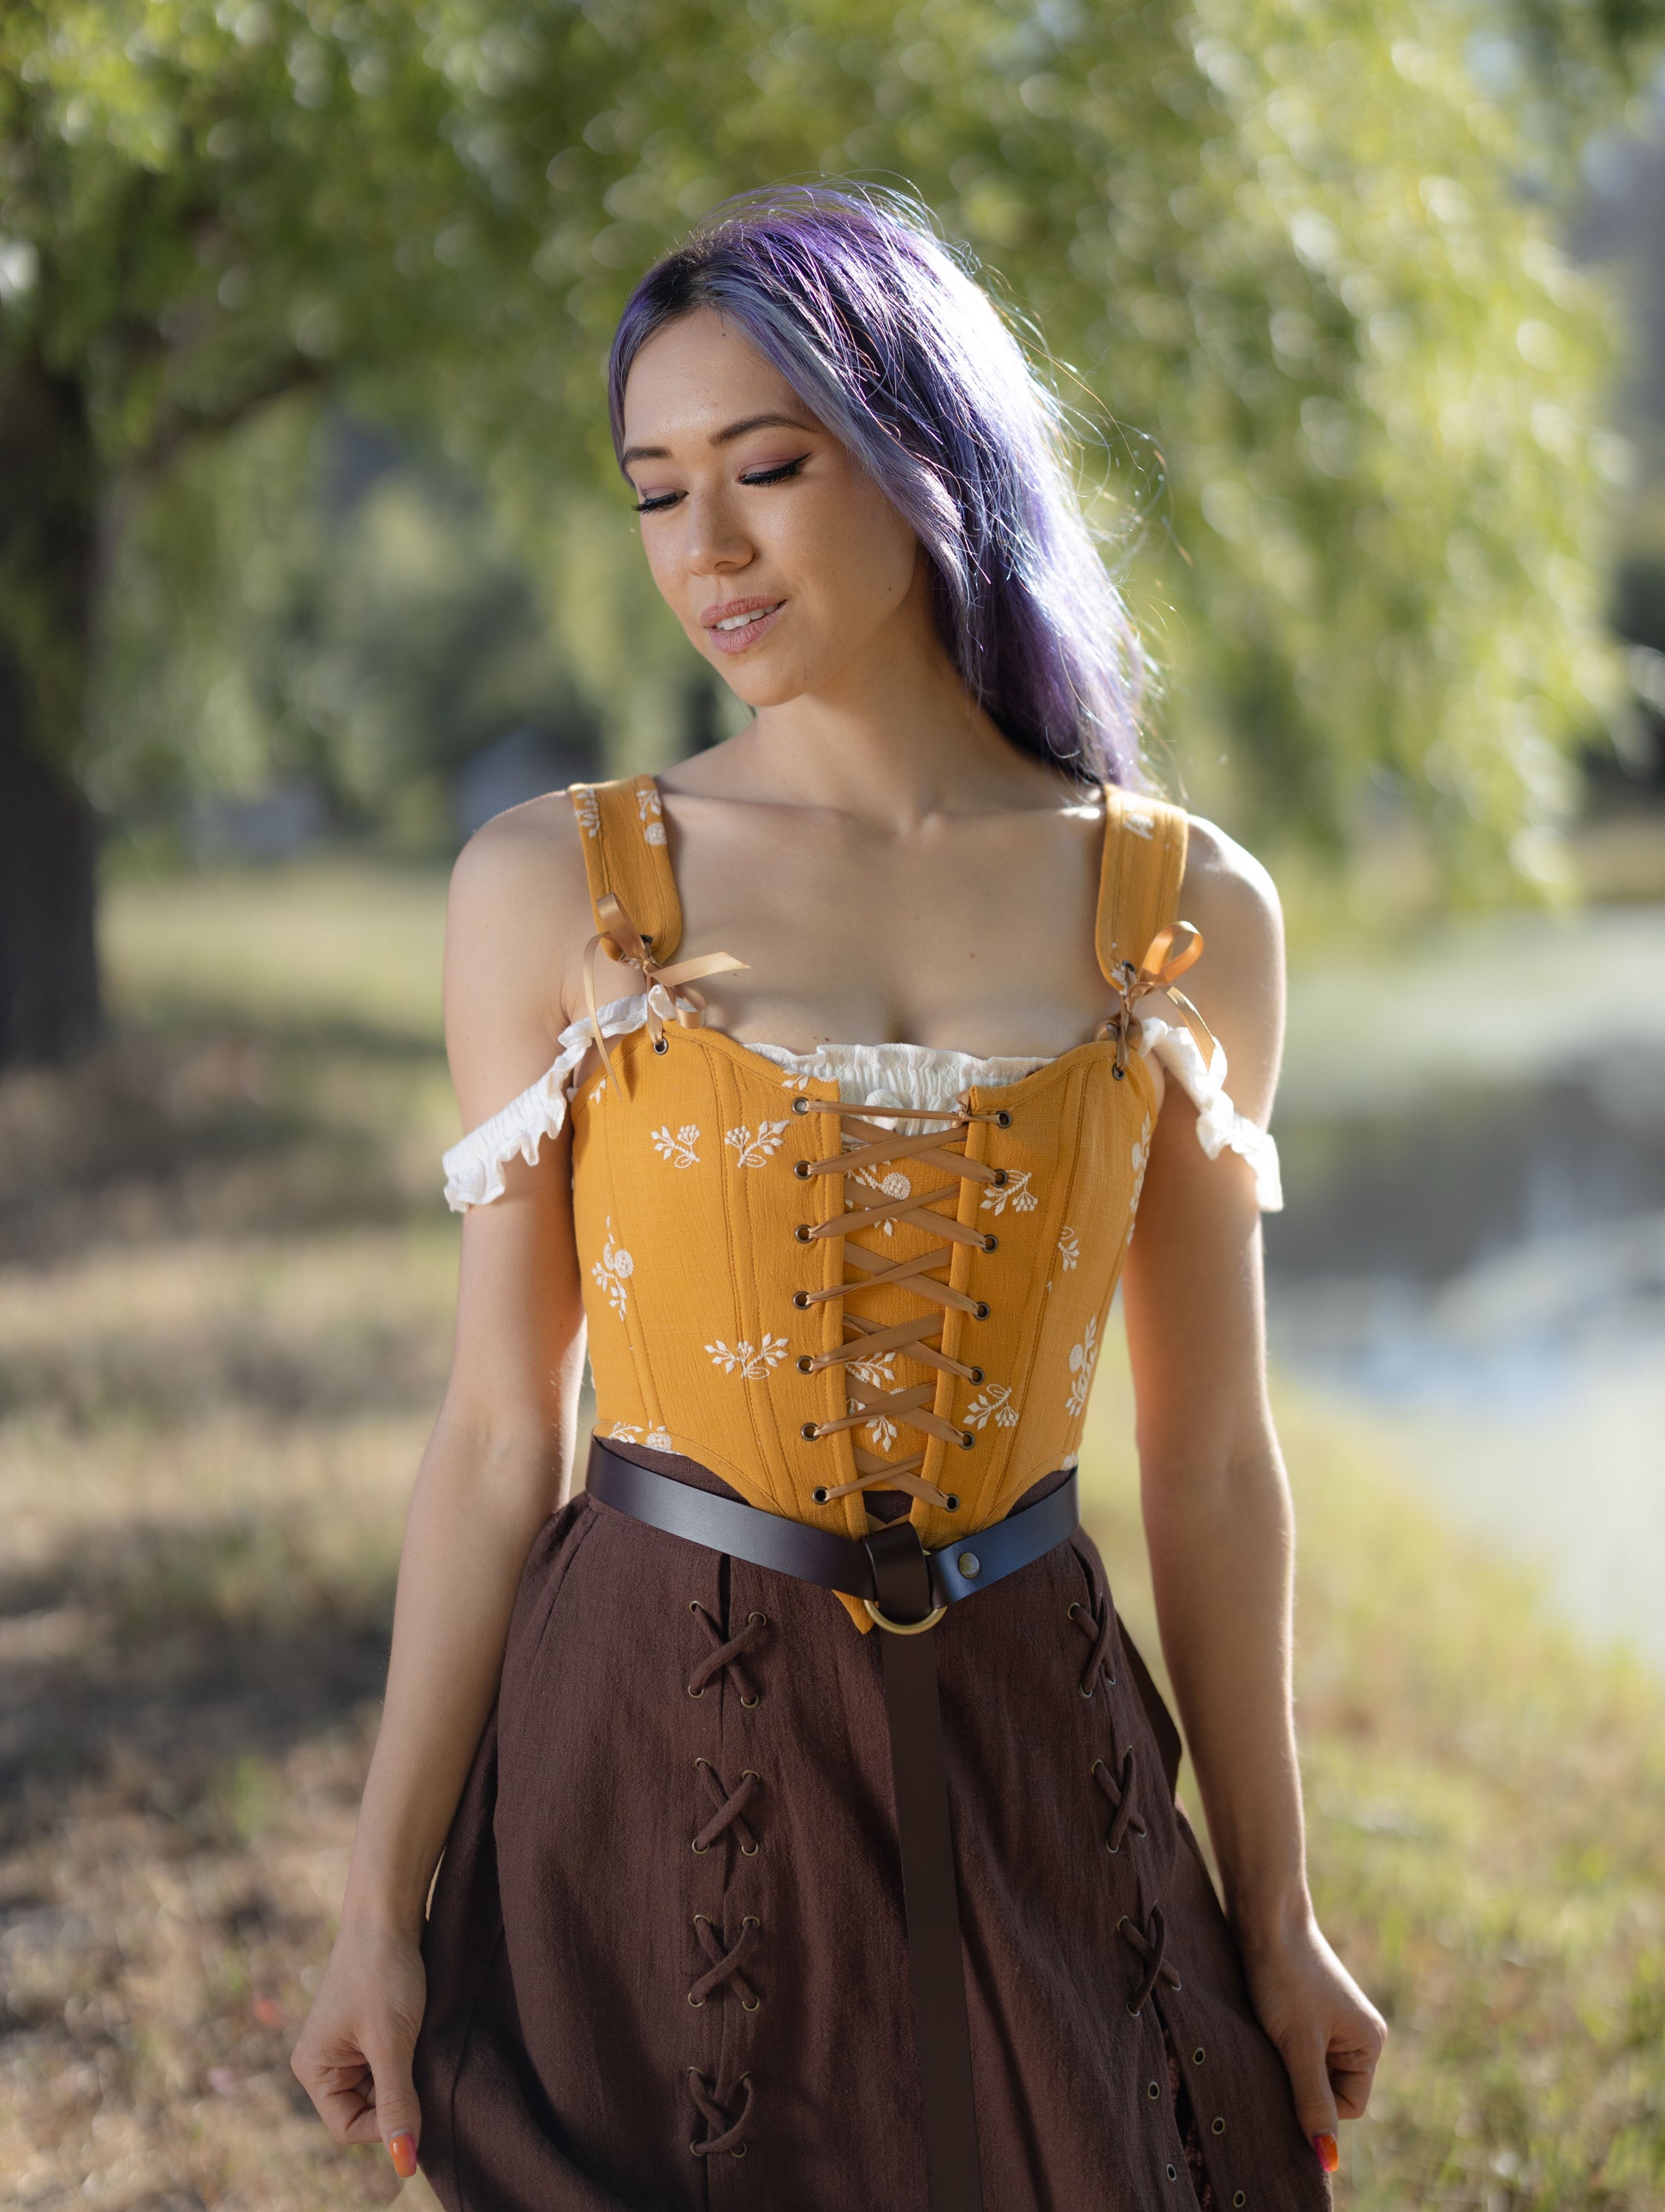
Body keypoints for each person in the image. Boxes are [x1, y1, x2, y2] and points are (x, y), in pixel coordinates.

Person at [291, 182, 1386, 2210]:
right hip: (650, 1712)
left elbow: (1214, 1456)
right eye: (653, 491)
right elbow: (494, 1429)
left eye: (769, 468)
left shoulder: (1180, 907)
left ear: (925, 456)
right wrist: (376, 1902)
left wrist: (1278, 1904)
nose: (703, 548)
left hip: (1029, 1716)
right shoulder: (557, 885)